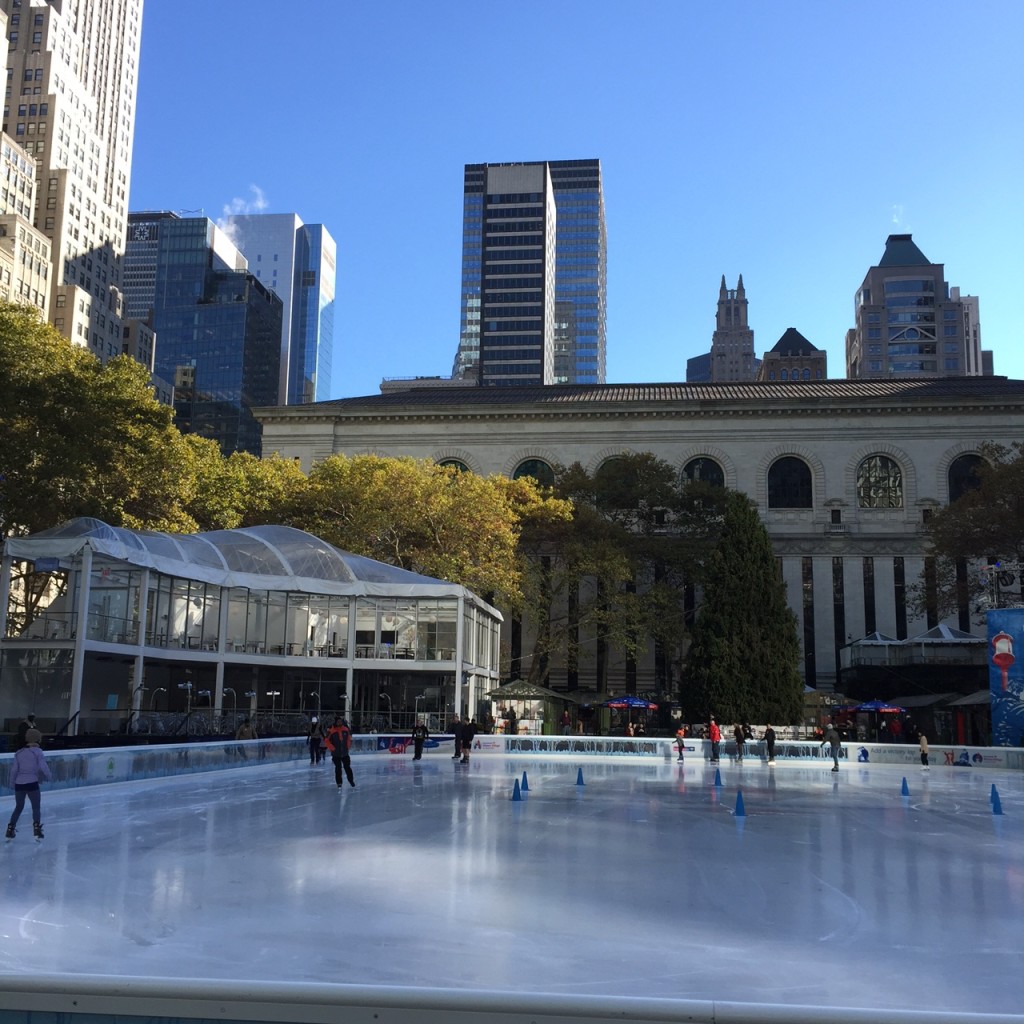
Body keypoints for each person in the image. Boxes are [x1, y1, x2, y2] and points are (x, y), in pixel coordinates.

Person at [6, 728, 51, 841]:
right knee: (36, 807)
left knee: (18, 807)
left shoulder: (19, 753)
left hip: (19, 784)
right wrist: (49, 776)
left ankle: (10, 829)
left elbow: (14, 770)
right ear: (38, 739)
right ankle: (37, 830)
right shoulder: (38, 752)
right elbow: (43, 766)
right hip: (32, 783)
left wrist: (12, 783)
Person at [325, 715, 355, 788]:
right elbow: (326, 740)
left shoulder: (345, 729)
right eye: (338, 722)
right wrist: (333, 748)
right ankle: (339, 783)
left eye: (340, 721)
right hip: (336, 754)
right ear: (335, 722)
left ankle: (351, 780)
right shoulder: (332, 731)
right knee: (338, 768)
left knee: (347, 767)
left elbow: (348, 738)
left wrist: (347, 746)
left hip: (345, 753)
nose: (339, 723)